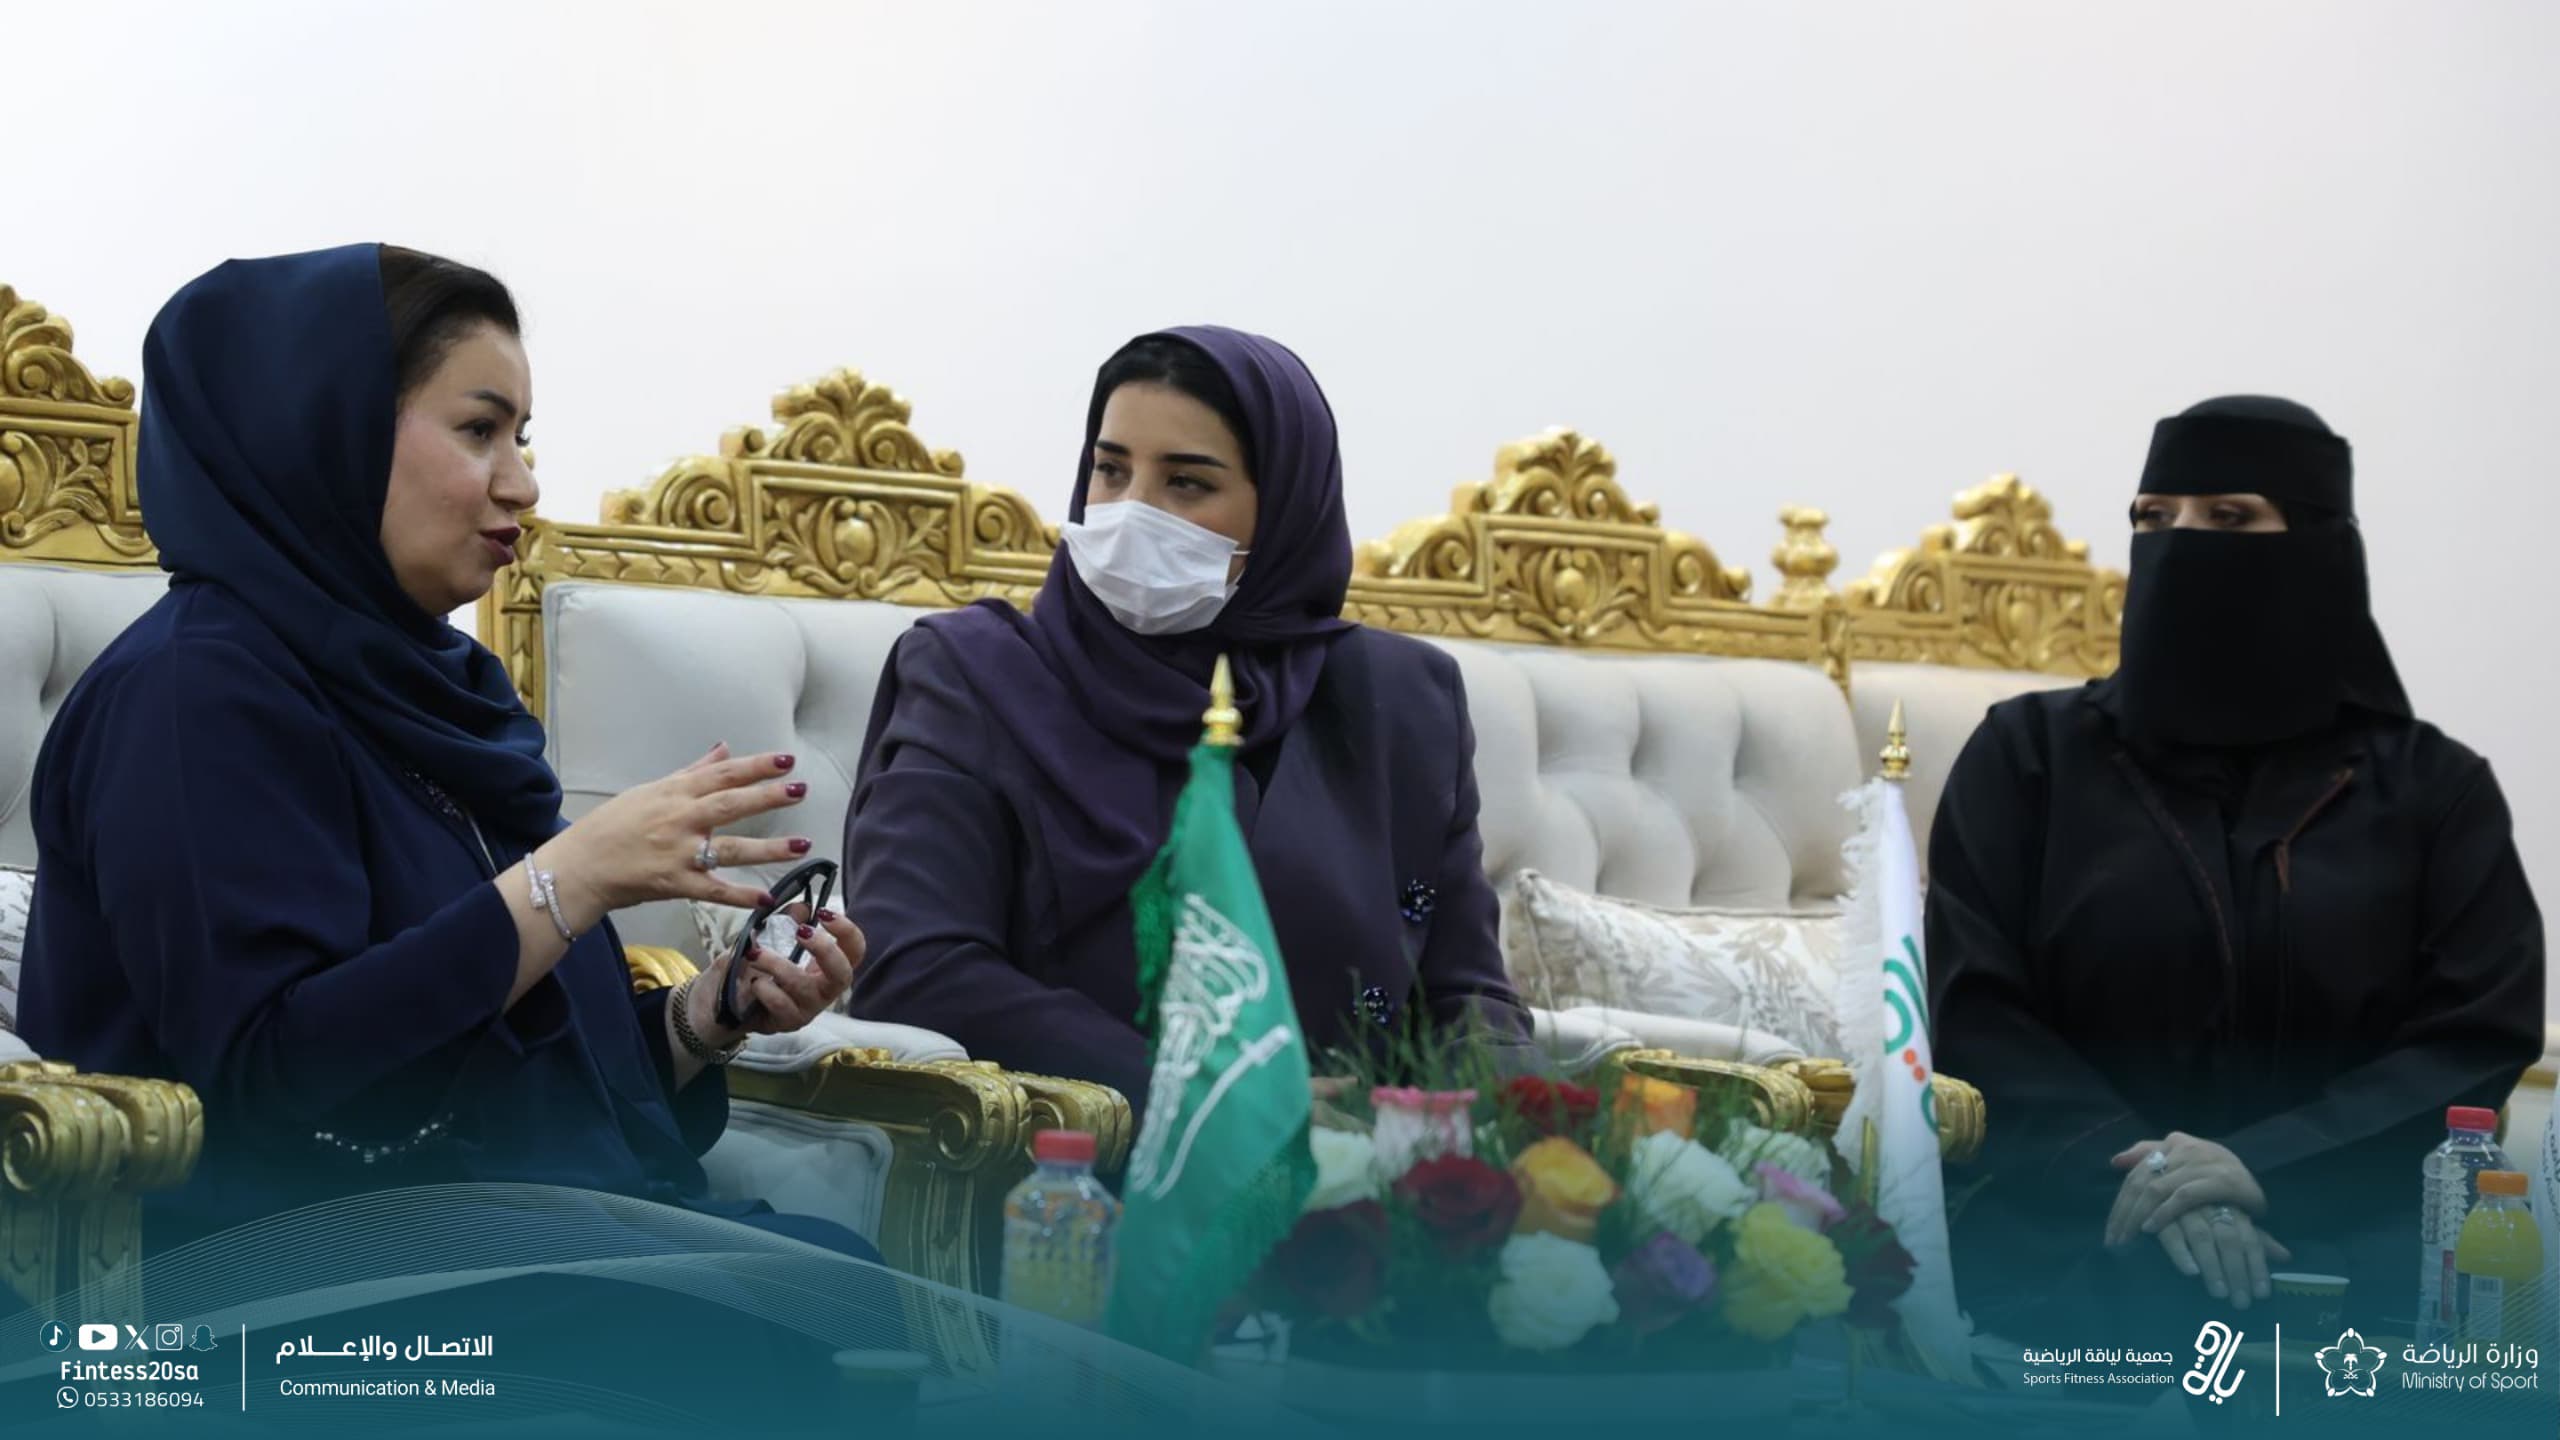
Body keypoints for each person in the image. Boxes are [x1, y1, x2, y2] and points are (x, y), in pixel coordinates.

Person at [18, 245, 872, 1260]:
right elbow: (272, 1082)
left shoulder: (436, 695)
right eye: (479, 430)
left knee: (851, 1291)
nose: (525, 484)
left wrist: (709, 1013)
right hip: (301, 1288)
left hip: (504, 1244)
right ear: (328, 434)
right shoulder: (192, 694)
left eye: (523, 437)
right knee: (838, 1313)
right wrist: (570, 877)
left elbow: (501, 1092)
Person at [1927, 396, 2544, 1340]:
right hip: (2070, 1236)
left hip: (2347, 1246)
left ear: (2319, 547)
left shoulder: (2433, 790)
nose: (2180, 544)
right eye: (2153, 517)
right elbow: (1974, 1008)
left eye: (2229, 517)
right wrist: (2156, 1179)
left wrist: (2265, 1167)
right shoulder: (2028, 758)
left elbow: (2472, 1038)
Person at [843, 327, 1529, 1104]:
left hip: (1366, 1162)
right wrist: (1219, 1100)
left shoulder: (1397, 698)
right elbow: (916, 969)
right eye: (1110, 469)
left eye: (1187, 484)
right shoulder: (974, 676)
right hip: (1073, 1156)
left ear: (1287, 509)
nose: (1131, 511)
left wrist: (1494, 1132)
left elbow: (1467, 995)